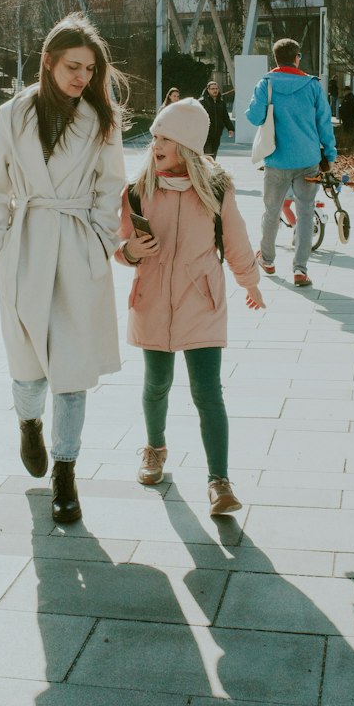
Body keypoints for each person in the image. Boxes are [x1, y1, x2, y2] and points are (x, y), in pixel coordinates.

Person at [0, 14, 127, 525]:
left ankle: (66, 476)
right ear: (48, 62)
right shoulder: (12, 114)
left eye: (89, 68)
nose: (81, 77)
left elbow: (113, 186)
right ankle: (28, 424)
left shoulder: (100, 119)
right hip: (25, 245)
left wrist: (102, 237)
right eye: (72, 66)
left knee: (72, 373)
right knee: (28, 371)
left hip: (77, 249)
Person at [115, 97, 265, 518]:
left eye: (165, 137)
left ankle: (219, 481)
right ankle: (155, 448)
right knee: (156, 384)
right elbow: (119, 244)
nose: (155, 143)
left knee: (208, 393)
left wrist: (250, 283)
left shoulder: (216, 188)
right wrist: (129, 251)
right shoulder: (138, 189)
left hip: (202, 300)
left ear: (187, 145)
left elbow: (235, 240)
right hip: (153, 300)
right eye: (155, 135)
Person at [247, 37, 336, 287]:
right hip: (308, 159)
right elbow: (324, 123)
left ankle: (268, 259)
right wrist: (329, 155)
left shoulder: (266, 84)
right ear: (297, 58)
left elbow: (254, 117)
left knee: (272, 211)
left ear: (275, 58)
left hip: (276, 159)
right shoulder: (312, 86)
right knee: (306, 213)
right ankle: (300, 270)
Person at [200, 79, 234, 157]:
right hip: (205, 134)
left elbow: (225, 116)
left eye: (216, 88)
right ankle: (208, 168)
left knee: (213, 154)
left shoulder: (221, 103)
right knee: (208, 155)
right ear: (208, 90)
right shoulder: (202, 102)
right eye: (212, 89)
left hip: (217, 133)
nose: (215, 90)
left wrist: (230, 128)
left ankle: (211, 168)